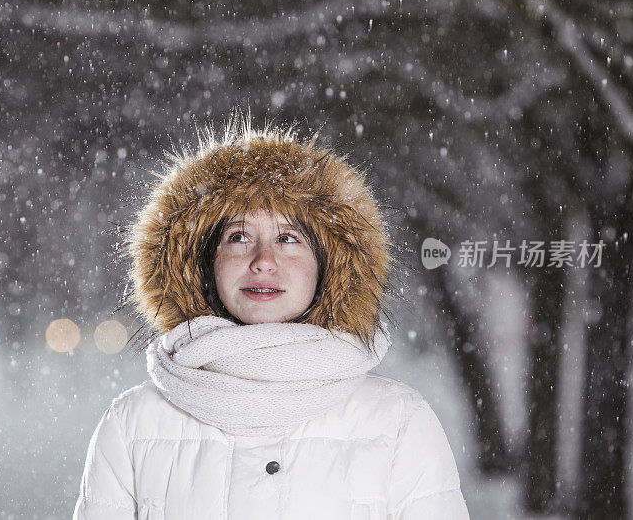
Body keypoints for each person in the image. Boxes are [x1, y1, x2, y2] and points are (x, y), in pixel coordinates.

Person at [73, 112, 470, 519]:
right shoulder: (133, 426)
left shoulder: (398, 421)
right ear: (204, 261)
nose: (263, 260)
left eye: (288, 238)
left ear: (328, 263)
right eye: (239, 236)